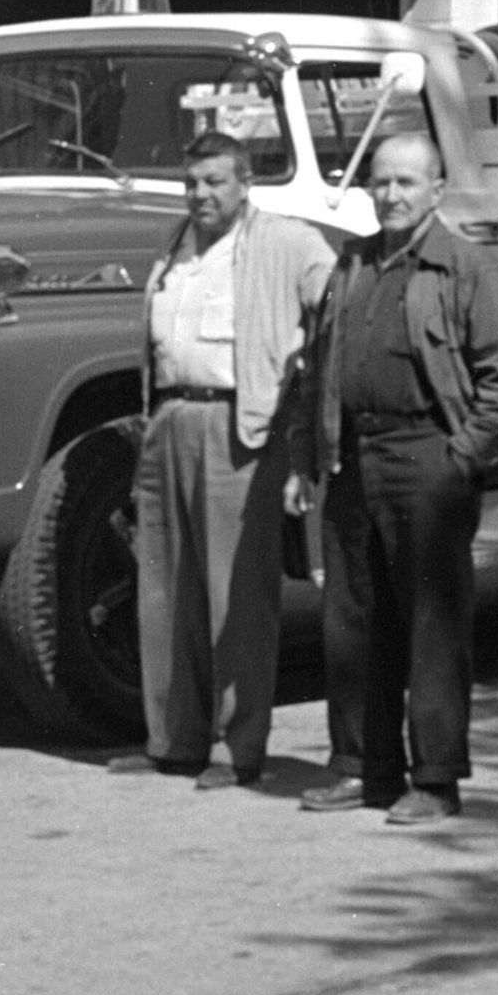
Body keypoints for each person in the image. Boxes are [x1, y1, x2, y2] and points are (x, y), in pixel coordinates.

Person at [299, 133, 498, 825]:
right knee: (351, 622)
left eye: (406, 183)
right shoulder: (352, 265)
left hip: (427, 460)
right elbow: (318, 366)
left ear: (436, 191)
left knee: (430, 626)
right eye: (381, 182)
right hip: (353, 460)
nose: (391, 195)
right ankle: (361, 768)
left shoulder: (465, 269)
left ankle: (433, 780)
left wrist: (460, 458)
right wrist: (312, 454)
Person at [109, 131, 333, 790]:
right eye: (193, 182)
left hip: (240, 428)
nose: (202, 194)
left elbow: (333, 301)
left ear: (244, 185)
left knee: (233, 596)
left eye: (215, 182)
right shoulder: (175, 247)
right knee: (163, 590)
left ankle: (237, 751)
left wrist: (306, 405)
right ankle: (173, 741)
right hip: (169, 421)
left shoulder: (284, 242)